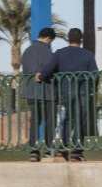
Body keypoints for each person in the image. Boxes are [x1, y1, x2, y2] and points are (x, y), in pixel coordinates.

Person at [36, 28, 98, 162]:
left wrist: (40, 76)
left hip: (66, 91)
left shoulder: (60, 53)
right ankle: (76, 153)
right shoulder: (87, 54)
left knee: (67, 121)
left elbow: (49, 69)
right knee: (80, 122)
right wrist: (93, 89)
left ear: (68, 39)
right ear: (81, 40)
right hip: (83, 91)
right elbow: (95, 74)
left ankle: (63, 150)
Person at [20, 27, 57, 162]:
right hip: (47, 92)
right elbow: (53, 70)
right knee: (50, 122)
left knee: (34, 122)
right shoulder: (48, 53)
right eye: (50, 41)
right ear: (48, 39)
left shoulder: (27, 51)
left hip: (31, 91)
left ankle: (33, 152)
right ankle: (48, 150)